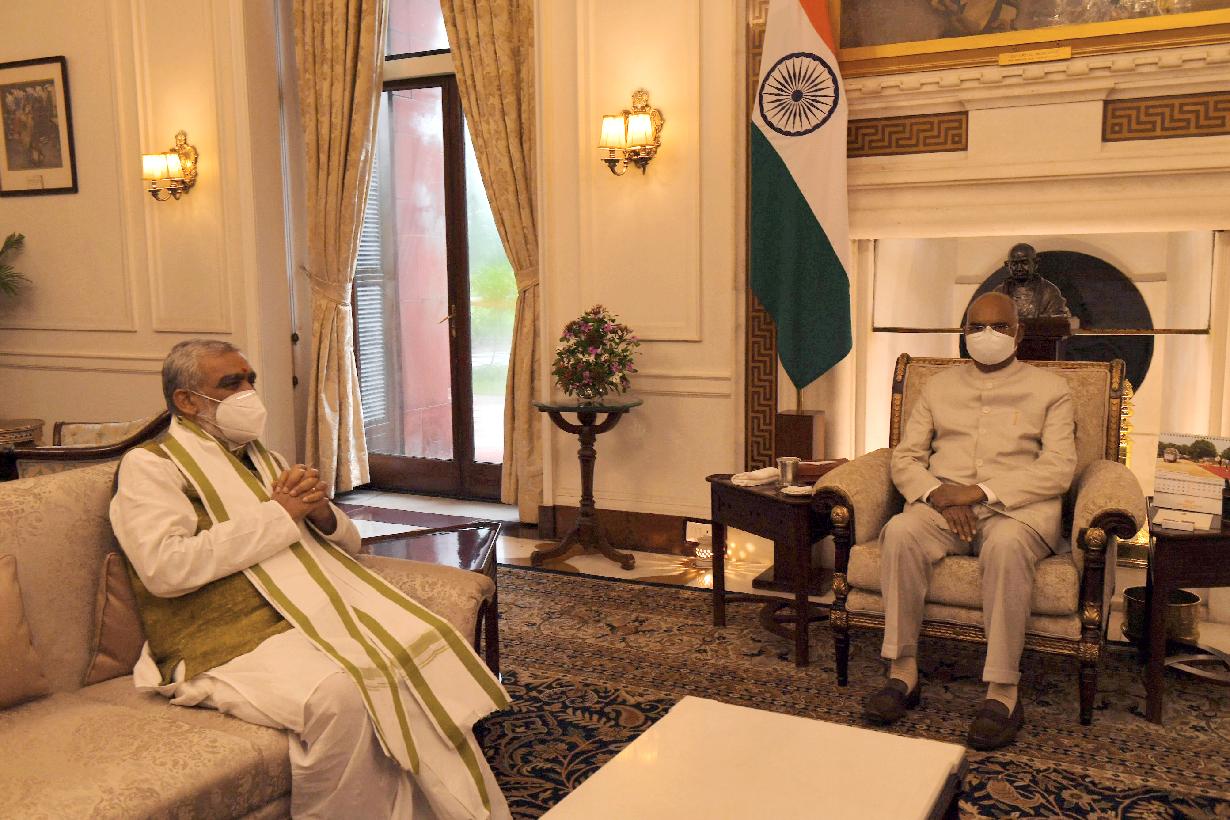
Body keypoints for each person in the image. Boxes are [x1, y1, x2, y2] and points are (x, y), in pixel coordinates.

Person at [110, 339, 510, 819]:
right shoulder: (151, 466)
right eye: (231, 383)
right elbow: (166, 569)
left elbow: (348, 544)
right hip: (216, 639)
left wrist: (320, 512)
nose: (248, 392)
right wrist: (279, 514)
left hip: (296, 615)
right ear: (187, 400)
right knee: (342, 695)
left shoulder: (263, 458)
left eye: (250, 379)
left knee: (405, 651)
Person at [862, 293, 1076, 750]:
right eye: (977, 327)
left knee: (1005, 545)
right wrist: (939, 494)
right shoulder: (938, 387)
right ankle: (902, 672)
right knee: (900, 532)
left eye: (999, 327)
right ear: (964, 334)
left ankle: (1002, 691)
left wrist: (978, 493)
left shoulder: (1051, 389)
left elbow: (1059, 468)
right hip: (943, 507)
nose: (987, 335)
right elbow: (906, 458)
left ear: (1018, 333)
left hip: (1017, 510)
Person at [992, 243, 1071, 319]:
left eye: (1024, 263)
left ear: (1035, 263)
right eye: (1014, 264)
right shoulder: (998, 293)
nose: (1019, 268)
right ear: (1007, 265)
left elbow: (1057, 322)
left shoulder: (1049, 292)